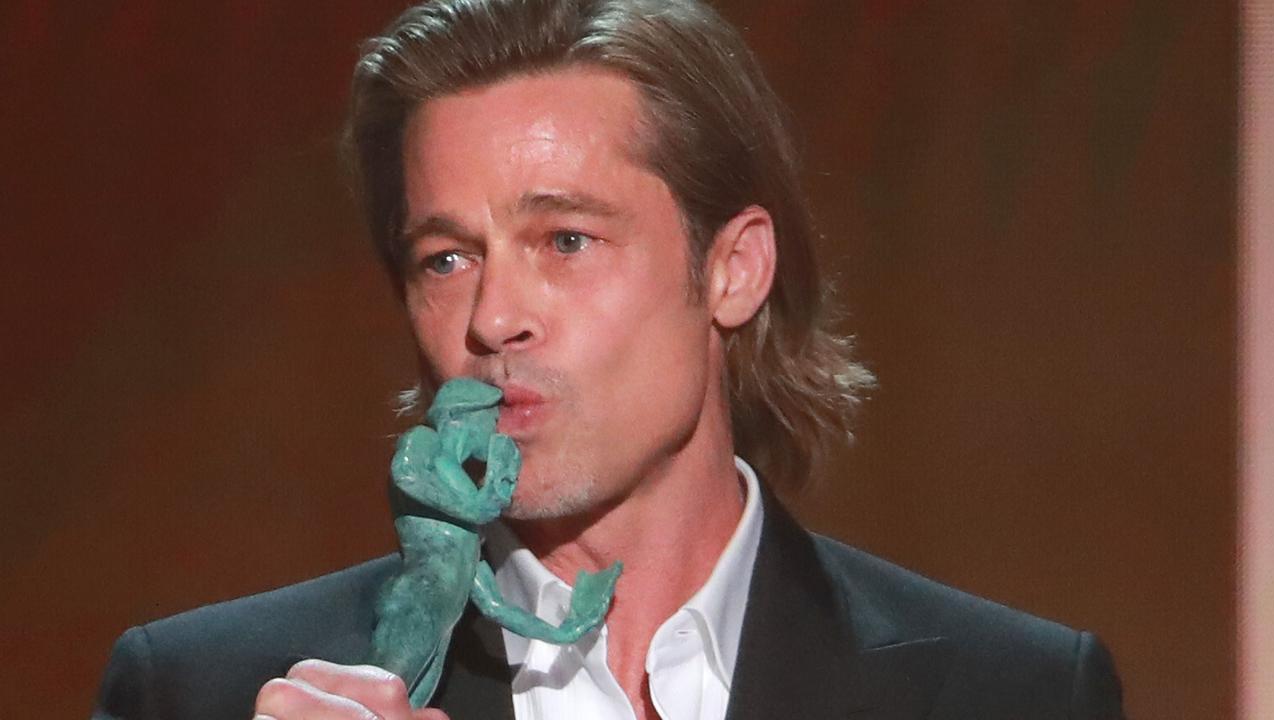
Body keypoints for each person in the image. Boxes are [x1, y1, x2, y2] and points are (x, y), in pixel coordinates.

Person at [93, 1, 1126, 719]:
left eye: (565, 241)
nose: (493, 317)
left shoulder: (1011, 696)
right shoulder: (206, 694)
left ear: (732, 269)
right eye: (445, 257)